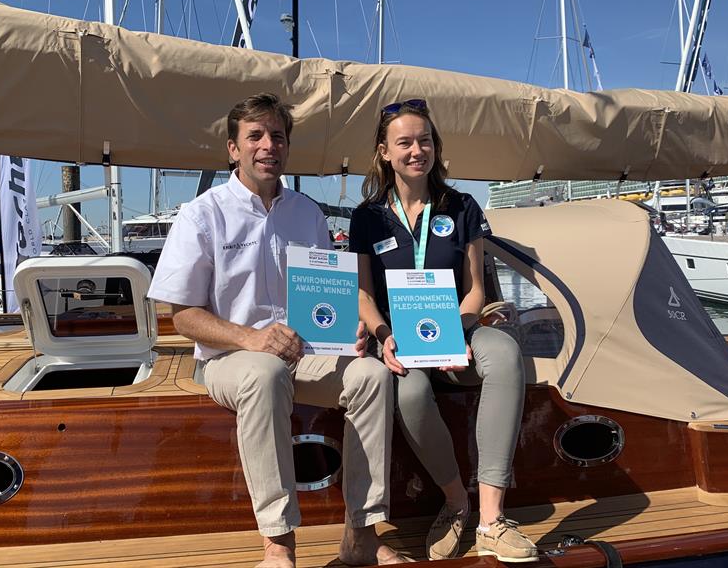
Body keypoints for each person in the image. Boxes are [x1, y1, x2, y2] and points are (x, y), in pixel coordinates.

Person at [148, 93, 410, 567]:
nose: (268, 145)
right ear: (233, 149)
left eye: (278, 136)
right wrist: (251, 338)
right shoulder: (202, 215)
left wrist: (348, 330)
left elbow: (329, 295)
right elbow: (182, 315)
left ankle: (361, 535)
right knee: (266, 372)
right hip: (229, 360)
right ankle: (278, 544)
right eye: (256, 136)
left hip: (304, 353)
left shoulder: (307, 213)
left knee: (371, 376)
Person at [349, 99, 537, 562]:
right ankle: (457, 502)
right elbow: (363, 293)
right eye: (405, 142)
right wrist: (382, 333)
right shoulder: (368, 216)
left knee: (505, 353)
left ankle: (492, 520)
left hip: (457, 331)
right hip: (397, 342)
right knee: (409, 395)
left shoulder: (462, 206)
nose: (418, 150)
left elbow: (474, 290)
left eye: (426, 140)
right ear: (384, 152)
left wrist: (453, 332)